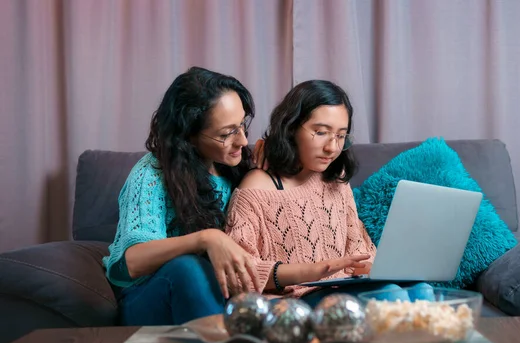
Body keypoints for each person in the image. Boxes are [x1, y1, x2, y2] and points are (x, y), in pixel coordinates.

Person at [225, 80, 432, 307]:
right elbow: (239, 275)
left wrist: (369, 266)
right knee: (390, 296)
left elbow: (358, 246)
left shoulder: (336, 178)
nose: (332, 148)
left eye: (341, 135)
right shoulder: (255, 190)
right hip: (295, 302)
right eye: (321, 132)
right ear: (291, 127)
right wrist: (313, 271)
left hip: (345, 288)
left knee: (423, 289)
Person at [103, 67, 262, 325]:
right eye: (226, 134)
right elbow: (132, 261)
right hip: (151, 297)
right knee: (188, 268)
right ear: (188, 136)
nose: (243, 141)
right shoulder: (152, 173)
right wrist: (206, 239)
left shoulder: (240, 168)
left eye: (242, 125)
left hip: (220, 294)